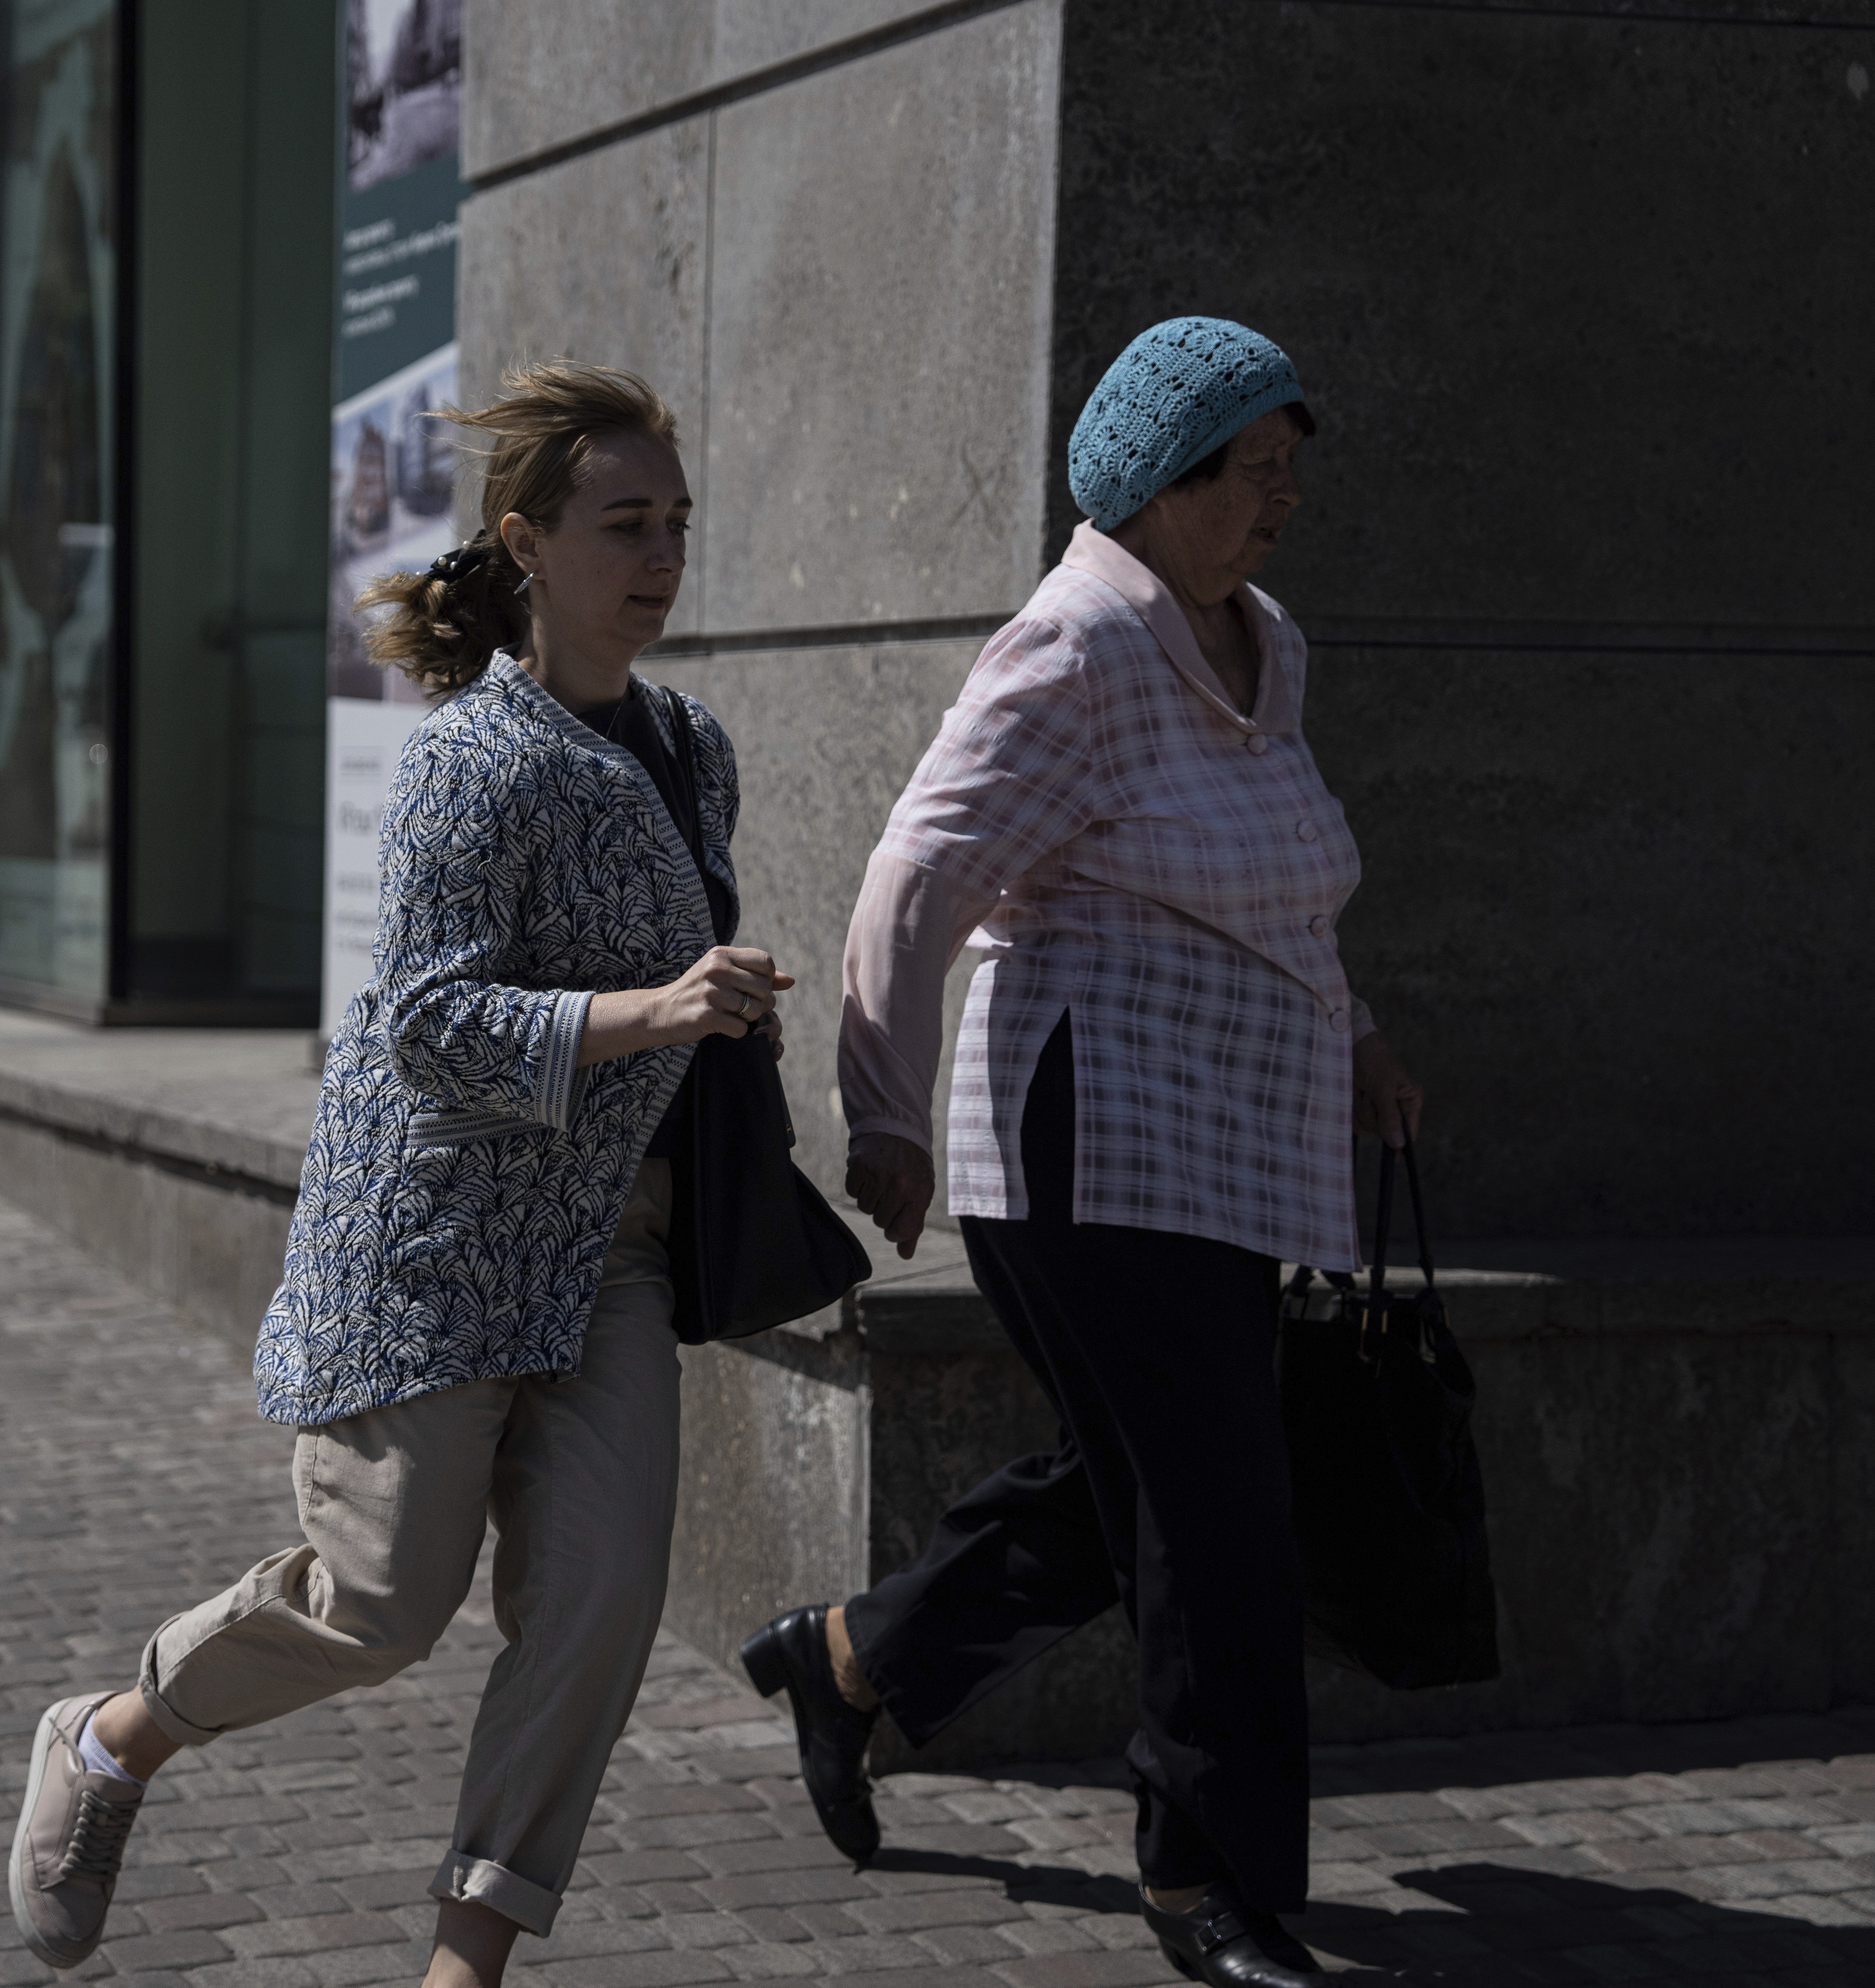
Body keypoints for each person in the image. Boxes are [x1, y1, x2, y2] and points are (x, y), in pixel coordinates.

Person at [6, 363, 792, 1988]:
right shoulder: (468, 761)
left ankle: (464, 1970)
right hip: (434, 1245)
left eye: (678, 525)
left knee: (597, 1611)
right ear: (529, 541)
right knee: (382, 1609)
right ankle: (110, 1737)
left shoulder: (693, 745)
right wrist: (653, 1010)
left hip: (615, 1254)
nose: (660, 556)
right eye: (624, 524)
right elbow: (428, 1018)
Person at [739, 319, 1423, 1988]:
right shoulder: (1077, 648)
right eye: (1251, 474)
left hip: (1231, 1139)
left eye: (1288, 472)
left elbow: (1284, 883)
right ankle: (1211, 1889)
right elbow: (919, 874)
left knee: (1144, 1496)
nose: (1280, 504)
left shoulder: (1263, 642)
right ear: (1155, 486)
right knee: (1218, 1513)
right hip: (1093, 1138)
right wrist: (884, 1111)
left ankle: (849, 1663)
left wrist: (1359, 1040)